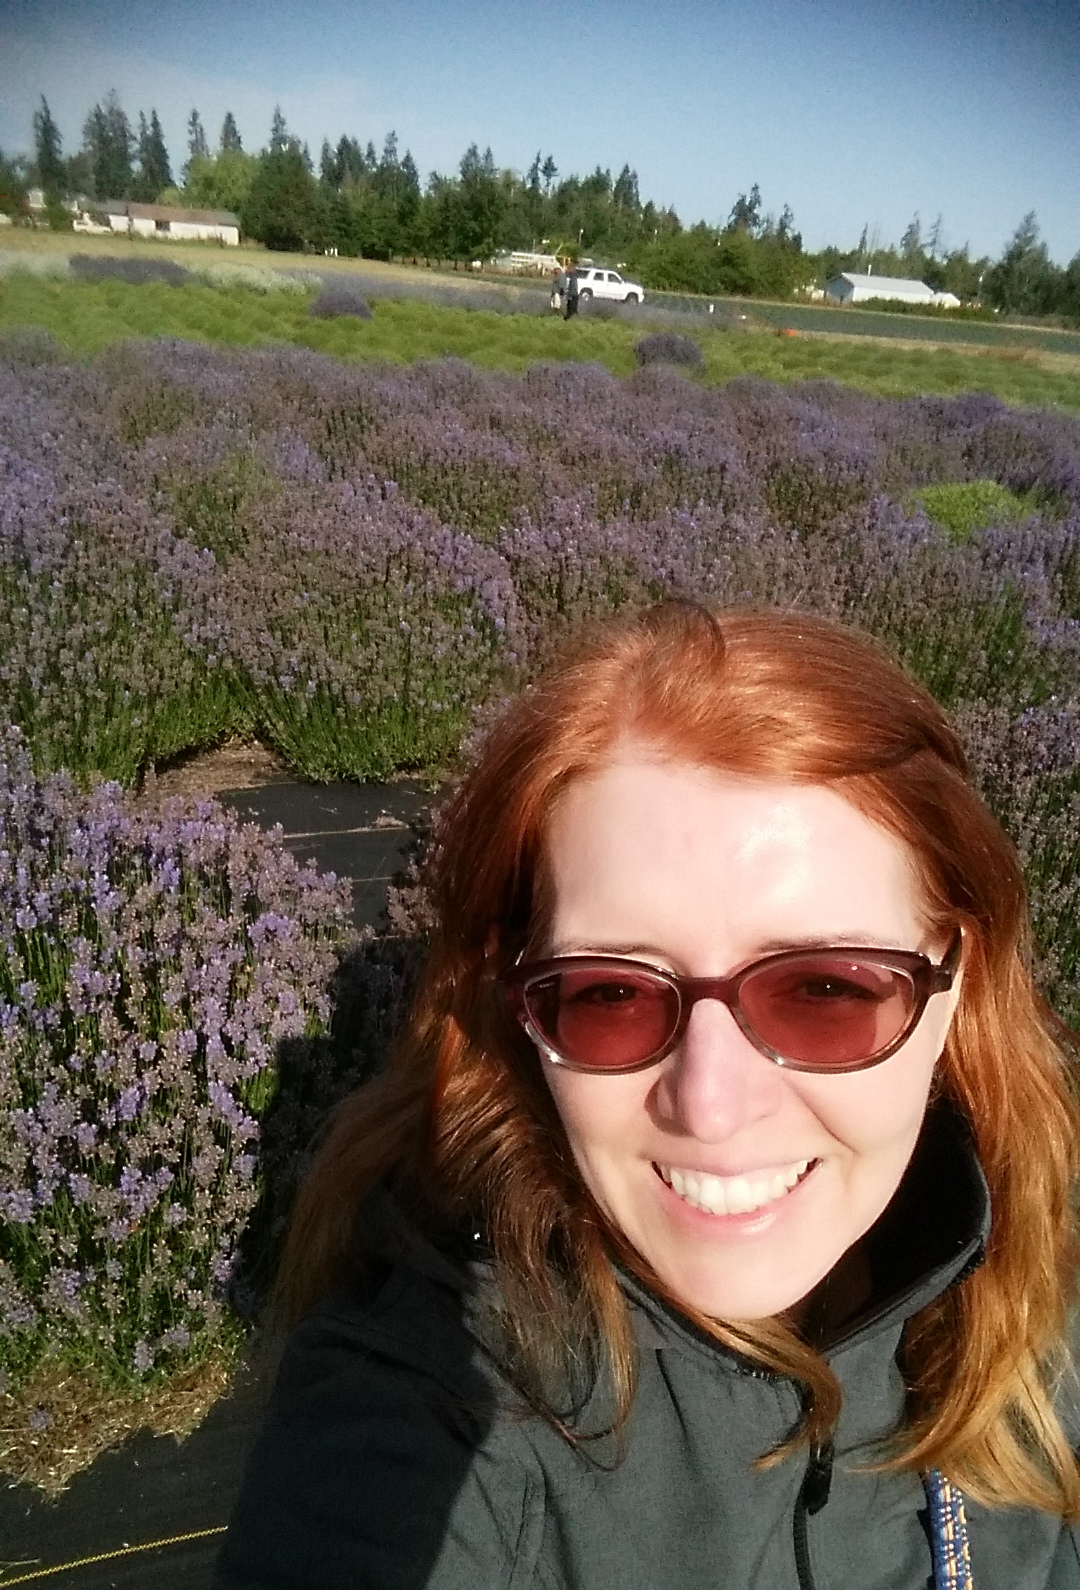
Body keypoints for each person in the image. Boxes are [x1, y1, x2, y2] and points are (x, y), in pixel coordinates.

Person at [217, 603, 1080, 1590]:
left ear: (952, 981)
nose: (708, 1107)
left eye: (825, 991)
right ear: (520, 1005)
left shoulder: (1044, 1253)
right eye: (611, 996)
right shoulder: (434, 1413)